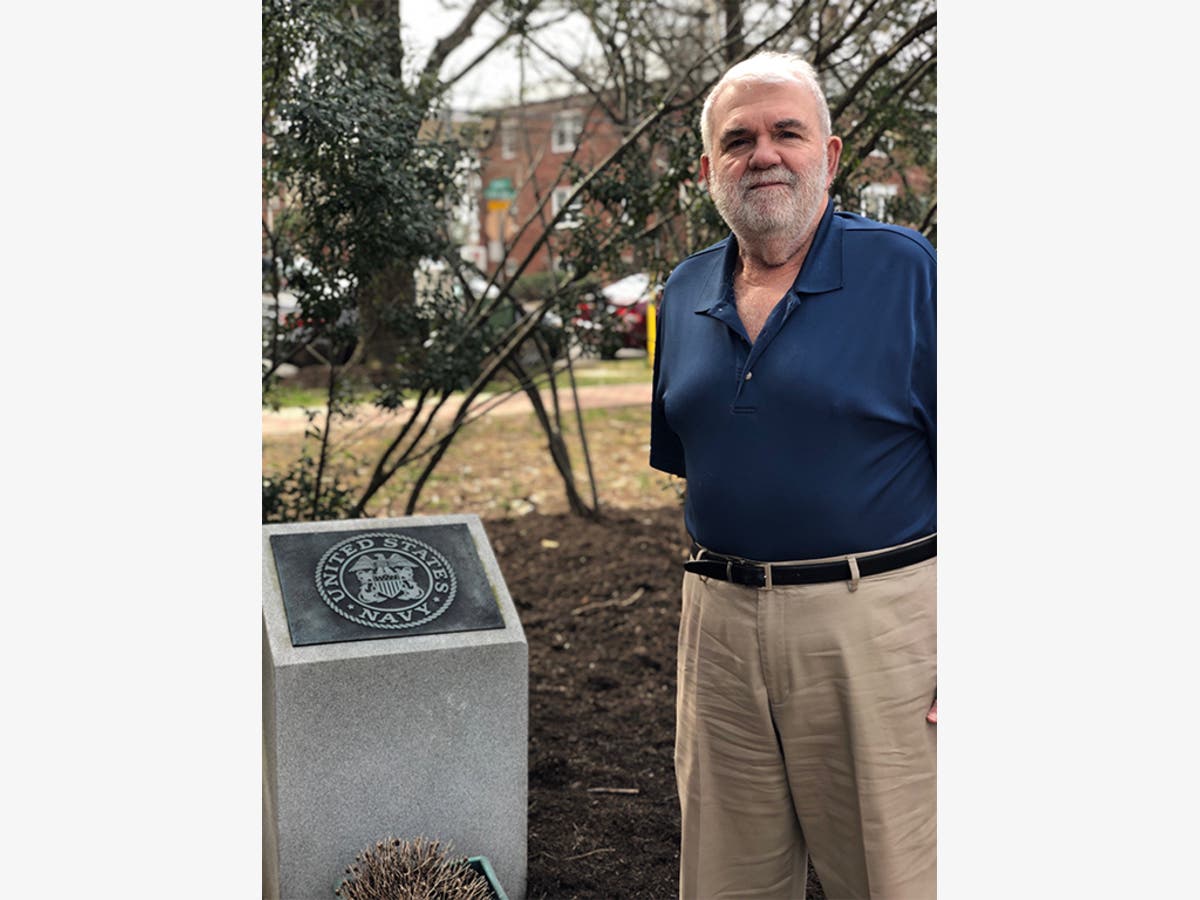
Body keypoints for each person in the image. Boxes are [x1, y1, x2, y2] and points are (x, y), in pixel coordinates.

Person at [650, 51, 937, 899]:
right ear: (707, 170)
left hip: (876, 633)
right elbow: (695, 466)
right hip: (718, 635)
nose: (763, 154)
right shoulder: (681, 292)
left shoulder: (908, 271)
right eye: (738, 140)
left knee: (894, 878)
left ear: (832, 155)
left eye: (787, 133)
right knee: (723, 880)